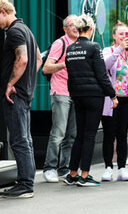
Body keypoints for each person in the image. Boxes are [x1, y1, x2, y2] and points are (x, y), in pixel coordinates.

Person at [0, 0, 42, 198]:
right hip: (24, 92)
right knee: (25, 139)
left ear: (3, 11)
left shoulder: (13, 32)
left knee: (19, 140)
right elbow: (38, 59)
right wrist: (28, 80)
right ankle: (26, 182)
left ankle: (25, 185)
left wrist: (11, 84)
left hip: (15, 95)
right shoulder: (27, 29)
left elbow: (24, 59)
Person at [63, 14, 118, 187]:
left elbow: (70, 75)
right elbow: (102, 76)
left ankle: (72, 173)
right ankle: (85, 175)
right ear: (91, 29)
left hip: (77, 96)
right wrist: (113, 95)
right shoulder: (94, 47)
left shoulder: (70, 49)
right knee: (89, 136)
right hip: (94, 96)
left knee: (79, 135)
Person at [42, 15, 79, 182]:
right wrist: (65, 63)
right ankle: (49, 167)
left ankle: (64, 168)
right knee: (58, 132)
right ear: (65, 28)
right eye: (72, 25)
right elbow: (46, 68)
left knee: (71, 134)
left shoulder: (80, 44)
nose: (75, 27)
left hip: (76, 93)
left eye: (78, 24)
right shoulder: (60, 43)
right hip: (61, 92)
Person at [101, 22, 128, 182]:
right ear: (114, 36)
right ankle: (108, 167)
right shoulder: (108, 51)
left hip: (126, 99)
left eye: (126, 34)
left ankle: (122, 167)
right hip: (111, 100)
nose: (124, 37)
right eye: (121, 34)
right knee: (109, 134)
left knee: (123, 134)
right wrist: (120, 48)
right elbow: (106, 65)